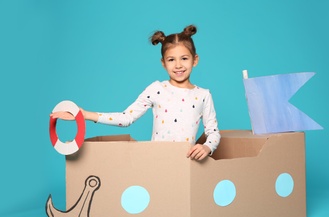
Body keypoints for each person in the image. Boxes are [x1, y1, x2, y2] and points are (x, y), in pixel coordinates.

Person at [51, 25, 221, 161]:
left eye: (184, 58)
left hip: (186, 165)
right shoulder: (156, 89)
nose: (178, 65)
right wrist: (85, 114)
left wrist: (207, 147)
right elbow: (126, 118)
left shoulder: (203, 95)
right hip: (155, 162)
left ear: (195, 60)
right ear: (163, 63)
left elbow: (213, 132)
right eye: (171, 59)